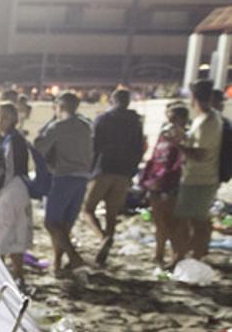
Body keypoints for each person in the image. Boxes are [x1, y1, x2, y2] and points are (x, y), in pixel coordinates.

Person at [84, 87, 146, 266]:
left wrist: (90, 170)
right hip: (124, 172)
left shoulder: (103, 119)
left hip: (103, 168)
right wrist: (132, 171)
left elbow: (94, 146)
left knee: (88, 210)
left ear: (112, 100)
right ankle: (106, 245)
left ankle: (102, 237)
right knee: (112, 214)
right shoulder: (135, 122)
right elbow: (139, 148)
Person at [32, 91, 91, 276]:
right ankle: (57, 263)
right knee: (64, 224)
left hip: (62, 176)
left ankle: (75, 259)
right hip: (82, 177)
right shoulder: (86, 126)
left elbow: (40, 148)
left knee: (51, 223)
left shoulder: (58, 127)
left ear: (59, 107)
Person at [174, 79, 222, 261]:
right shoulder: (204, 120)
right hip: (198, 177)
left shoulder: (208, 121)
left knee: (190, 221)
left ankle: (186, 257)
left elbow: (200, 154)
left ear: (193, 96)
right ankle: (191, 256)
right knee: (195, 220)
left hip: (200, 178)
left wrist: (178, 146)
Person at [0, 101, 32, 282]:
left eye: (4, 117)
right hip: (18, 189)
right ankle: (18, 275)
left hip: (10, 190)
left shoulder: (11, 141)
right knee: (15, 233)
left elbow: (8, 169)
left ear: (13, 119)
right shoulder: (13, 138)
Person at [139, 102, 188, 268]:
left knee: (169, 221)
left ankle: (177, 255)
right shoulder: (164, 134)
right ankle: (159, 254)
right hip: (156, 182)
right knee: (159, 220)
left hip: (170, 184)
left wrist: (163, 177)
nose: (170, 121)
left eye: (173, 117)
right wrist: (147, 177)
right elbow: (155, 157)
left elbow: (179, 163)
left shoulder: (183, 138)